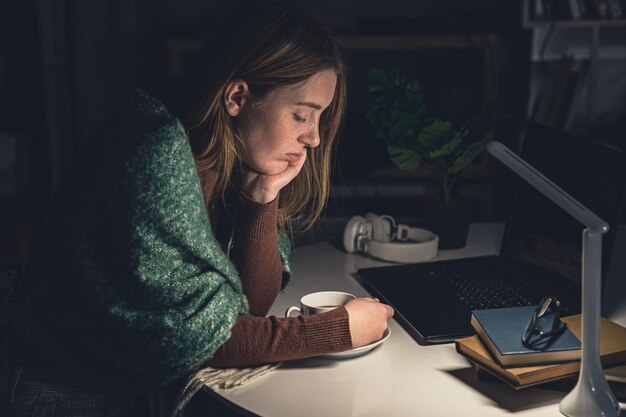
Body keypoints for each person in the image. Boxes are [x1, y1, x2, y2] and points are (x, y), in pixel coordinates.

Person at [2, 3, 394, 416]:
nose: (313, 139)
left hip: (134, 383)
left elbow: (249, 307)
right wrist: (336, 331)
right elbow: (198, 339)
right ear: (238, 97)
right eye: (301, 116)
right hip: (66, 392)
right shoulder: (155, 153)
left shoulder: (228, 156)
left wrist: (261, 196)